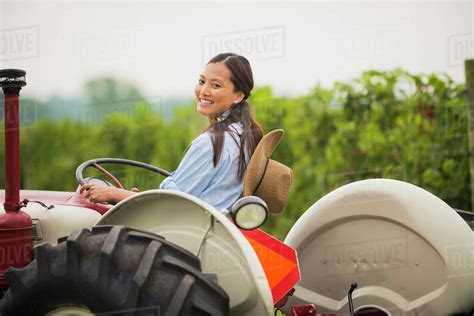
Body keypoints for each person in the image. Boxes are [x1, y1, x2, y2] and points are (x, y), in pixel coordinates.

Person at [81, 53, 263, 210]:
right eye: (202, 81)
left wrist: (113, 194)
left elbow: (170, 205)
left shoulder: (211, 143)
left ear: (238, 95)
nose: (203, 91)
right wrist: (130, 196)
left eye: (215, 85)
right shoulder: (246, 135)